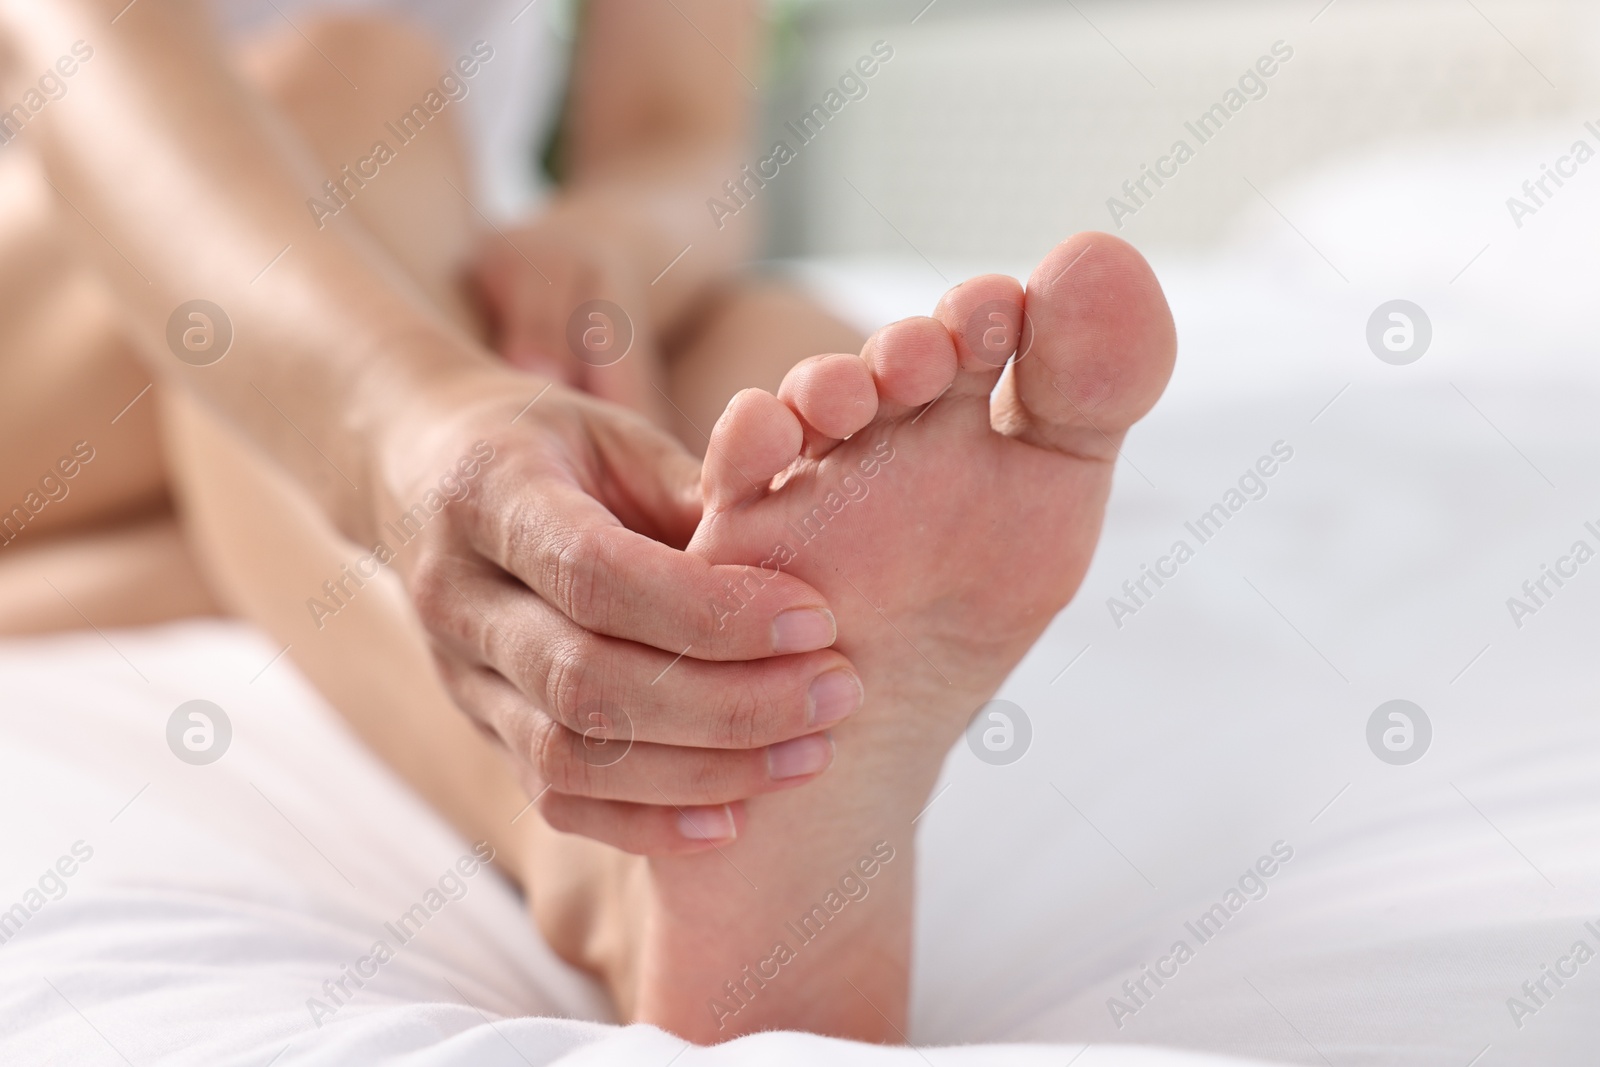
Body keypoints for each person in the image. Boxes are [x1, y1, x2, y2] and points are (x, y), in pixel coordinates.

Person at [0, 0, 1176, 1043]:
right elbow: (86, 51)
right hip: (75, 281)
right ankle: (603, 866)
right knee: (358, 84)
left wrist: (612, 236)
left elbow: (682, 132)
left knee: (769, 349)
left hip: (395, 261)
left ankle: (737, 731)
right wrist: (408, 412)